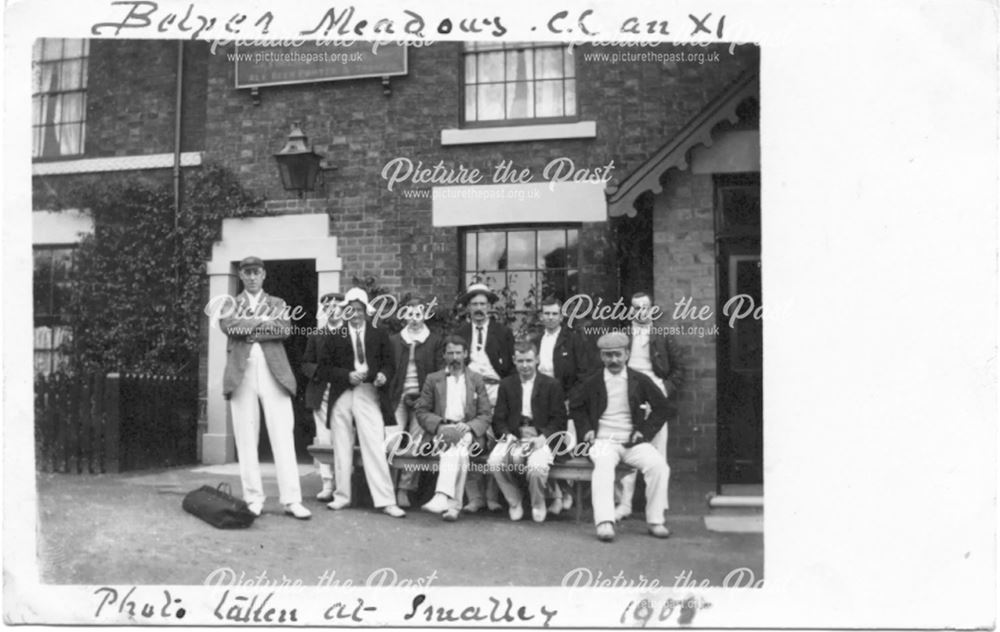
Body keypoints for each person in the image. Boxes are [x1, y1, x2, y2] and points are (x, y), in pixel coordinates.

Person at [220, 256, 311, 519]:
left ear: (263, 275)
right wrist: (262, 323)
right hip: (241, 372)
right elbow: (228, 325)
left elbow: (283, 328)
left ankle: (292, 500)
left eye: (255, 272)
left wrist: (249, 329)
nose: (251, 277)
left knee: (283, 434)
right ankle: (253, 498)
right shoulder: (230, 304)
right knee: (246, 437)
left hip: (274, 372)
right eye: (246, 272)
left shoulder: (277, 303)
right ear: (240, 276)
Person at [570, 332, 671, 542]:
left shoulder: (639, 380)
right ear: (601, 357)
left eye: (617, 354)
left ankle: (655, 520)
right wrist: (586, 429)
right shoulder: (592, 382)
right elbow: (576, 407)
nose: (613, 360)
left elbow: (663, 408)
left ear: (627, 354)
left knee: (659, 466)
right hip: (603, 441)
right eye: (608, 355)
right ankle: (605, 522)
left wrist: (644, 430)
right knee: (604, 465)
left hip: (631, 442)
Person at [316, 287, 406, 518]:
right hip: (343, 393)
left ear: (366, 311)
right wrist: (346, 375)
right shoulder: (335, 335)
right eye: (350, 309)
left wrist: (383, 375)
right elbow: (324, 369)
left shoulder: (378, 334)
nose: (354, 314)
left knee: (374, 443)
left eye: (359, 310)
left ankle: (386, 500)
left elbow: (389, 364)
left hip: (368, 392)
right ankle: (342, 497)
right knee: (341, 446)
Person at [615, 291, 685, 521]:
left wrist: (664, 389)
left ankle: (658, 505)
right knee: (629, 448)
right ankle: (624, 503)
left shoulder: (663, 335)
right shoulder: (624, 335)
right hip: (631, 396)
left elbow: (679, 370)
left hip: (655, 399)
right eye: (636, 308)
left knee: (657, 450)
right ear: (630, 310)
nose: (640, 312)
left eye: (644, 307)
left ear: (651, 308)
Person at [414, 336, 492, 522]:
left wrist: (470, 426)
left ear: (465, 354)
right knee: (459, 451)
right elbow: (422, 411)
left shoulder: (476, 379)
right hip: (441, 431)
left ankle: (442, 495)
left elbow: (485, 414)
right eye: (451, 353)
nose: (455, 357)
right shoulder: (433, 379)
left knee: (457, 443)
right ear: (444, 355)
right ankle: (453, 506)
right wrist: (440, 425)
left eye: (459, 353)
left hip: (468, 432)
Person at [534, 295, 600, 514]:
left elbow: (583, 374)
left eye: (554, 313)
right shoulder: (536, 340)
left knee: (565, 449)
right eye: (547, 313)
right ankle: (556, 494)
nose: (550, 317)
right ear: (541, 316)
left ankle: (567, 492)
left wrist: (571, 399)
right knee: (544, 448)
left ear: (561, 316)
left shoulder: (572, 339)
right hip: (540, 401)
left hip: (565, 401)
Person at [488, 341, 566, 522]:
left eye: (529, 361)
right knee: (494, 461)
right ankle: (514, 501)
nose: (525, 366)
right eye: (521, 361)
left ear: (537, 360)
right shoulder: (507, 384)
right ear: (514, 360)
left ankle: (538, 503)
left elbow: (559, 420)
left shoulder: (551, 385)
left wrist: (544, 437)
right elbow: (499, 418)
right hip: (515, 436)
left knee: (537, 467)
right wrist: (507, 435)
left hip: (540, 437)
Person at [453, 282, 513, 513]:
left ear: (489, 307)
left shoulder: (502, 332)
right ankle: (474, 496)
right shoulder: (460, 333)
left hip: (497, 390)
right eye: (474, 304)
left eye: (483, 304)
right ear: (468, 308)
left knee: (496, 441)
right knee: (469, 441)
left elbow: (510, 369)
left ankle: (492, 496)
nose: (479, 308)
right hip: (470, 392)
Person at [385, 295, 444, 508]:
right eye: (410, 314)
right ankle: (388, 488)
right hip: (398, 397)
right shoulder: (394, 340)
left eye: (418, 314)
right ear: (403, 316)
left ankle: (404, 489)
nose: (414, 319)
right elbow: (389, 370)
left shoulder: (435, 340)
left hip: (423, 399)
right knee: (391, 441)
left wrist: (423, 398)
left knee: (416, 444)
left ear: (425, 315)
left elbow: (439, 374)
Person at [300, 291, 346, 502]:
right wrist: (319, 372)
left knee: (344, 438)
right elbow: (306, 363)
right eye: (328, 306)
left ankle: (345, 483)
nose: (333, 309)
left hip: (346, 392)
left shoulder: (350, 334)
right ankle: (327, 483)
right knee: (325, 439)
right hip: (323, 392)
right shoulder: (316, 335)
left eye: (337, 305)